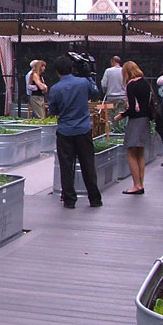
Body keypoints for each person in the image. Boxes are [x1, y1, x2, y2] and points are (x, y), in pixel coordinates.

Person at [48, 54, 102, 209]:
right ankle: (94, 198)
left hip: (65, 131)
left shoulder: (55, 89)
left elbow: (53, 110)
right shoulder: (83, 83)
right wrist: (88, 76)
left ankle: (69, 199)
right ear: (72, 68)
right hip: (83, 129)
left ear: (57, 72)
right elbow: (95, 93)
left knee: (66, 166)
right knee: (88, 164)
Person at [113, 61, 152, 194]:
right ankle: (141, 183)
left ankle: (136, 185)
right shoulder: (145, 83)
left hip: (135, 121)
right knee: (140, 152)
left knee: (130, 151)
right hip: (145, 119)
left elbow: (132, 109)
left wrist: (120, 116)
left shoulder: (131, 85)